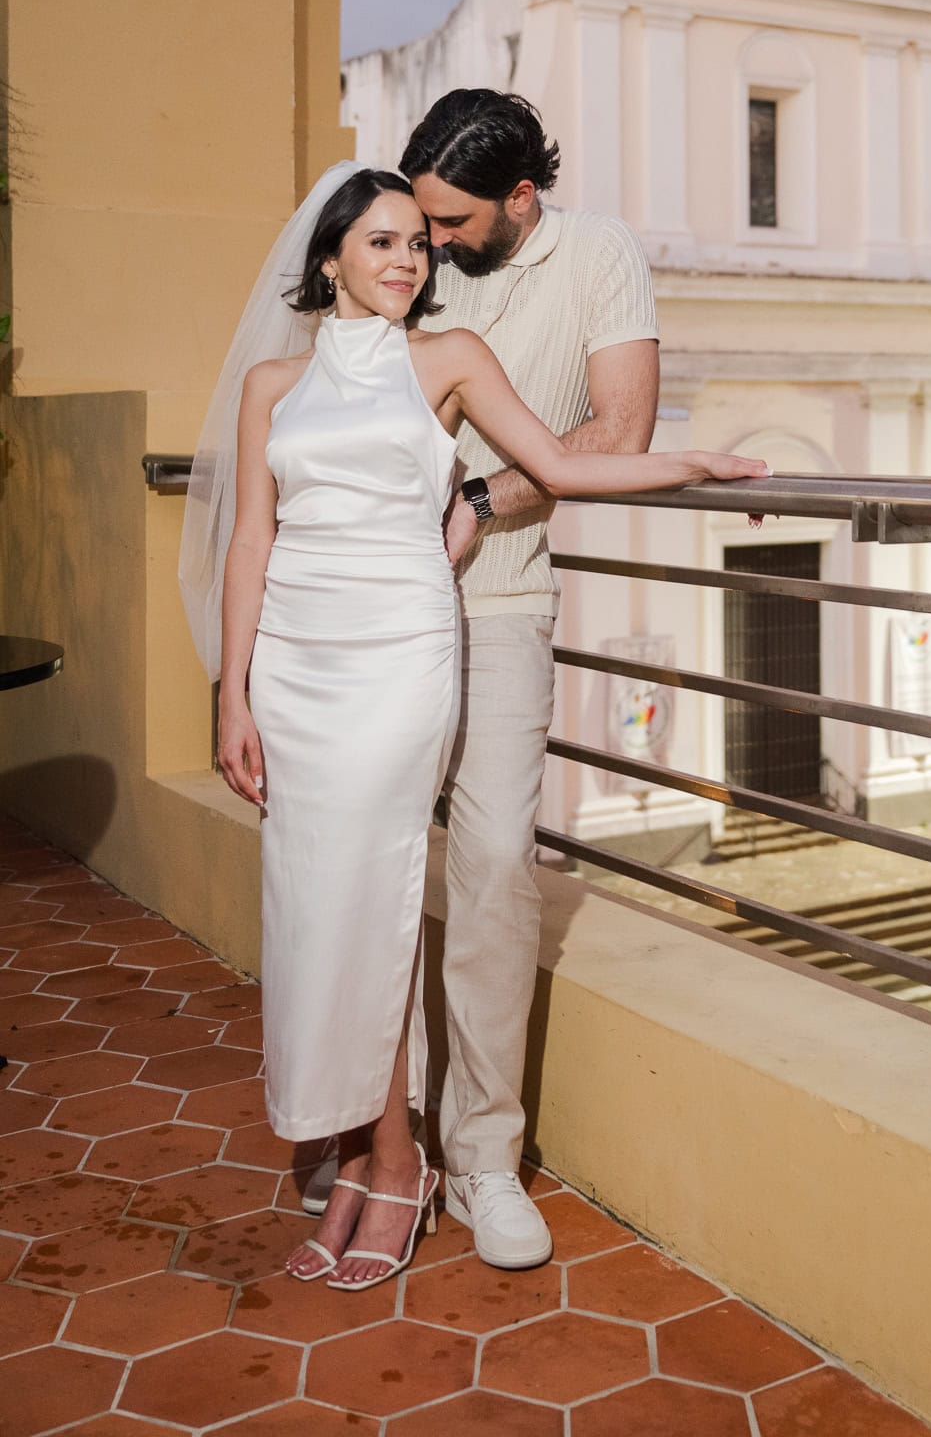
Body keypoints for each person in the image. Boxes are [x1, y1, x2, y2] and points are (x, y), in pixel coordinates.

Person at [180, 163, 764, 1291]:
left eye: (419, 243)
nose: (409, 258)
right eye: (385, 240)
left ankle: (398, 1161)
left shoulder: (447, 361)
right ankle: (354, 1148)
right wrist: (232, 690)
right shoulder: (269, 382)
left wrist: (696, 458)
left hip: (401, 653)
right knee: (310, 895)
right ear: (331, 257)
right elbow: (251, 539)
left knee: (379, 883)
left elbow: (551, 464)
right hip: (294, 663)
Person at [391, 89, 670, 1272]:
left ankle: (486, 1156)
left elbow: (619, 429)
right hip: (370, 611)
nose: (430, 246)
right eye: (420, 222)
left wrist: (478, 502)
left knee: (497, 860)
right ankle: (383, 1139)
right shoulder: (415, 248)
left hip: (501, 598)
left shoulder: (598, 255)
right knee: (380, 861)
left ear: (521, 197)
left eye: (452, 222)